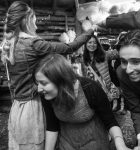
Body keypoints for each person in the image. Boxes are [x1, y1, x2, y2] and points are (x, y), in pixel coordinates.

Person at [0, 1, 98, 150]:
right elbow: (69, 48)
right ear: (27, 19)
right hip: (34, 107)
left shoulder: (8, 45)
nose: (36, 22)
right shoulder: (34, 44)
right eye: (34, 18)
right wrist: (89, 31)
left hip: (17, 108)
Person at [35, 54, 131, 150]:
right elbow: (52, 126)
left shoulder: (90, 88)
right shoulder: (47, 95)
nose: (39, 89)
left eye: (44, 83)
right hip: (66, 145)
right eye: (37, 83)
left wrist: (120, 145)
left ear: (61, 80)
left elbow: (110, 122)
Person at [116, 30, 140, 150]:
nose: (128, 70)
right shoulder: (123, 73)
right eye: (124, 61)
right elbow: (138, 110)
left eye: (136, 61)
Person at [83, 35, 120, 107]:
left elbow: (118, 53)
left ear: (98, 45)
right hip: (91, 90)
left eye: (95, 43)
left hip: (104, 89)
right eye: (89, 42)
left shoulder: (104, 55)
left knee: (106, 110)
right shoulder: (83, 58)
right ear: (86, 44)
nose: (92, 45)